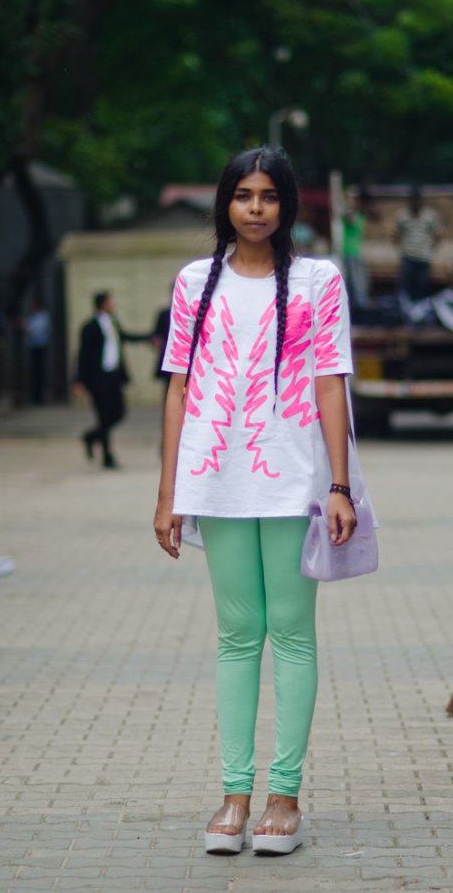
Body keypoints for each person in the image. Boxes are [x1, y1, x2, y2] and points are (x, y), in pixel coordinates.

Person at [153, 147, 357, 856]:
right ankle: (233, 796)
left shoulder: (318, 281)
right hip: (218, 483)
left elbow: (331, 382)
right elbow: (178, 389)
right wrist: (168, 492)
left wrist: (339, 485)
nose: (256, 207)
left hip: (295, 482)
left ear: (287, 205)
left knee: (293, 633)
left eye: (269, 195)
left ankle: (284, 797)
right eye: (244, 194)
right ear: (226, 203)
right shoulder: (192, 284)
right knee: (239, 635)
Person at [74, 291, 148, 469]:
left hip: (115, 377)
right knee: (103, 415)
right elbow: (83, 355)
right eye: (110, 302)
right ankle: (108, 457)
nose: (113, 305)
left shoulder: (114, 323)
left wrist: (149, 337)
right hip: (98, 378)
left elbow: (126, 337)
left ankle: (91, 436)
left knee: (119, 413)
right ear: (102, 305)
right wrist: (79, 380)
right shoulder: (90, 327)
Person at [393, 186, 442, 304]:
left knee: (421, 286)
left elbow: (438, 234)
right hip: (408, 255)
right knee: (406, 287)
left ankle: (420, 309)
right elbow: (395, 234)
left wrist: (432, 248)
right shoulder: (402, 215)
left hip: (424, 256)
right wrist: (401, 248)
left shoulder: (430, 216)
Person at [342, 188, 376, 312]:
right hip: (349, 252)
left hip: (356, 252)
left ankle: (358, 306)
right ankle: (361, 308)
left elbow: (376, 216)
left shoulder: (362, 215)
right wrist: (355, 204)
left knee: (358, 281)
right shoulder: (352, 212)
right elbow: (347, 217)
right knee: (357, 282)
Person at [23, 298, 51, 405]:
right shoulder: (33, 317)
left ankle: (40, 396)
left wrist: (25, 328)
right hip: (33, 346)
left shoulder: (42, 317)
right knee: (34, 372)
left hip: (40, 346)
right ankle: (35, 395)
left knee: (39, 372)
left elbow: (34, 331)